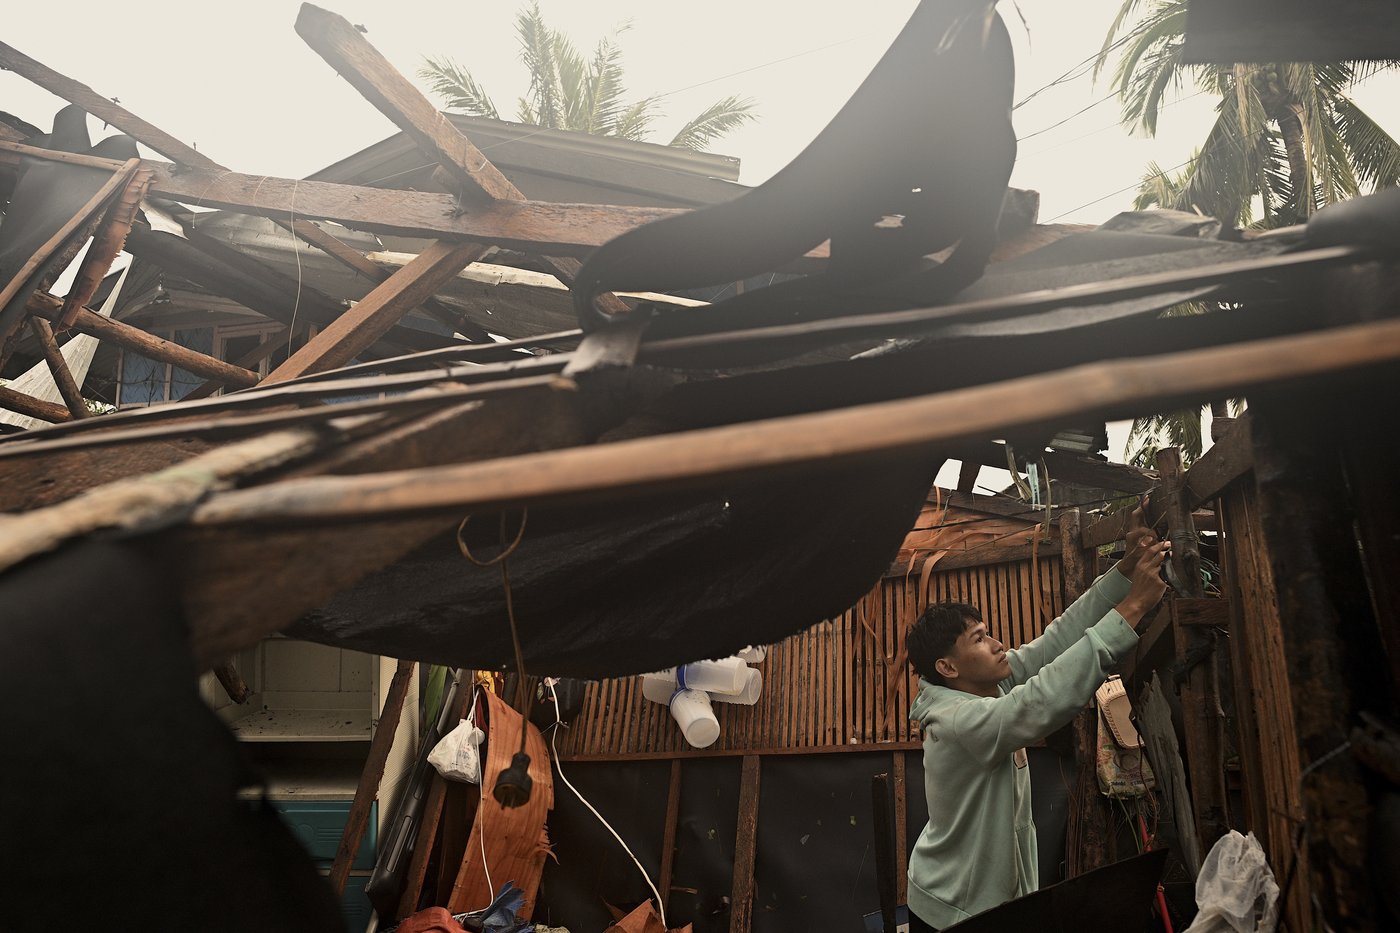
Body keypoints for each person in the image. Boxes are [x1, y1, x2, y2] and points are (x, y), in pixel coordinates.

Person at [903, 499, 1171, 931]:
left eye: (988, 633)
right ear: (948, 668)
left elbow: (1057, 640)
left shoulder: (985, 687)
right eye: (979, 639)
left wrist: (1125, 570)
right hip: (953, 910)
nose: (996, 645)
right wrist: (1134, 608)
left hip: (991, 900)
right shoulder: (958, 722)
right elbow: (1040, 701)